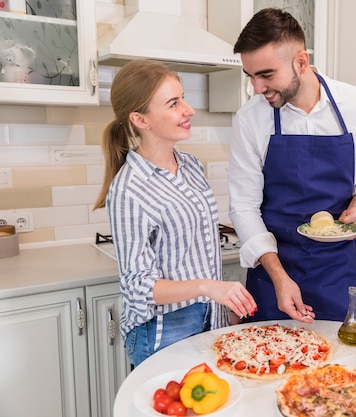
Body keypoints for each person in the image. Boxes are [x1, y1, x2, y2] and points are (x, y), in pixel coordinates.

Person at [229, 8, 356, 325]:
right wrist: (278, 277)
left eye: (266, 75)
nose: (257, 88)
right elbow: (244, 207)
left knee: (347, 371)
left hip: (338, 272)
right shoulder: (250, 119)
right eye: (250, 76)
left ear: (301, 62)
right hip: (272, 274)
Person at [94, 60, 257, 368]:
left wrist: (221, 307)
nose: (189, 109)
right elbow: (138, 287)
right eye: (174, 103)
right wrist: (209, 287)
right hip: (164, 330)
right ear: (140, 119)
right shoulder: (129, 189)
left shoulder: (192, 166)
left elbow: (200, 249)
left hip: (211, 320)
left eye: (183, 98)